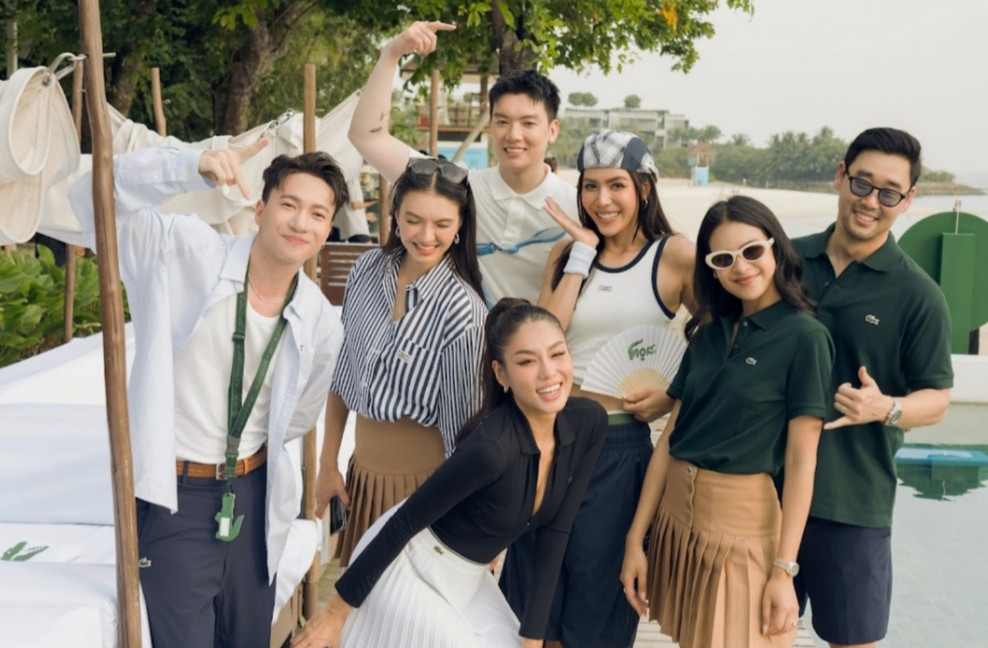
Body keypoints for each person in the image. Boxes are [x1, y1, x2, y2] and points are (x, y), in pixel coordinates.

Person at [66, 141, 347, 648]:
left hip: (253, 496)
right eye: (289, 204)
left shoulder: (320, 320)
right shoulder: (185, 254)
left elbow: (300, 414)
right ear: (259, 210)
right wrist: (186, 165)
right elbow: (91, 197)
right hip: (177, 497)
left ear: (327, 231)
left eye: (317, 214)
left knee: (248, 639)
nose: (300, 223)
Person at [292, 299, 609, 648]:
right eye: (527, 361)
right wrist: (334, 614)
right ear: (501, 374)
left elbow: (556, 532)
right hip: (410, 568)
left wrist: (533, 637)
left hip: (469, 582)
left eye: (557, 354)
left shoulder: (590, 422)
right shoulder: (491, 448)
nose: (549, 372)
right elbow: (403, 523)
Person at [498, 130, 695, 648]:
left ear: (644, 188)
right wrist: (582, 254)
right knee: (534, 607)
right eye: (590, 186)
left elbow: (716, 342)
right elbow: (543, 335)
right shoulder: (566, 253)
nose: (602, 200)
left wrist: (672, 395)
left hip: (617, 446)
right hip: (547, 438)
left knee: (596, 602)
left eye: (616, 185)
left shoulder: (674, 255)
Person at [621, 195, 835, 648]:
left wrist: (784, 571)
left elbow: (802, 463)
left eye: (752, 250)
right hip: (678, 521)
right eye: (724, 258)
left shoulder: (805, 337)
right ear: (711, 269)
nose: (741, 267)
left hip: (743, 528)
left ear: (776, 247)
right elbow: (670, 440)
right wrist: (636, 541)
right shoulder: (709, 332)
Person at [791, 127, 953, 648]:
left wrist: (886, 408)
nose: (870, 202)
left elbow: (937, 400)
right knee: (749, 636)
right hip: (763, 490)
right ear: (841, 176)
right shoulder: (784, 262)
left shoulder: (918, 295)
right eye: (862, 183)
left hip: (853, 502)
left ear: (907, 201)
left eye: (889, 193)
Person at [314, 156, 488, 565]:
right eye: (413, 220)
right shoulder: (366, 270)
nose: (426, 236)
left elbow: (465, 434)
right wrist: (328, 463)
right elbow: (343, 374)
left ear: (461, 226)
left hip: (427, 490)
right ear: (394, 216)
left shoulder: (463, 310)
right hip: (361, 477)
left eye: (442, 224)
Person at [348, 20, 577, 305]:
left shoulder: (576, 207)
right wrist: (391, 54)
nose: (513, 135)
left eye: (528, 123)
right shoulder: (459, 187)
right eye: (502, 122)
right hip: (458, 332)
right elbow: (367, 138)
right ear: (490, 126)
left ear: (552, 130)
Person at [330, 175, 375, 242]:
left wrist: (364, 216)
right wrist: (375, 201)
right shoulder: (353, 181)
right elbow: (355, 205)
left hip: (341, 227)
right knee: (367, 246)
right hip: (356, 228)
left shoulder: (341, 181)